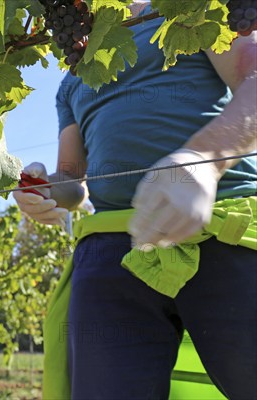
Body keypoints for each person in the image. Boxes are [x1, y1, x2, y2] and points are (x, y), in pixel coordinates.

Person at [14, 1, 257, 399]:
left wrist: (204, 159)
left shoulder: (188, 11)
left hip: (224, 229)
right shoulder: (75, 71)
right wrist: (43, 190)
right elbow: (74, 180)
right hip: (114, 250)